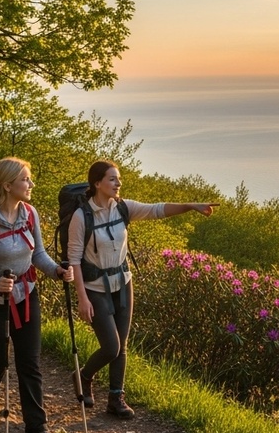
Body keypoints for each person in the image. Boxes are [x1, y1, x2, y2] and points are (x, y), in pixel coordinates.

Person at [68, 160, 217, 419]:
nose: (118, 183)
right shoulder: (82, 217)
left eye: (119, 179)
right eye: (113, 179)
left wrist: (190, 206)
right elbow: (73, 259)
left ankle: (116, 398)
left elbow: (157, 210)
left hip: (123, 282)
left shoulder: (124, 208)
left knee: (122, 345)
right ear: (97, 183)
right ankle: (83, 375)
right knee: (111, 347)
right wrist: (82, 298)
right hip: (95, 288)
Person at [0, 157, 75, 433]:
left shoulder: (29, 213)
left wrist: (57, 271)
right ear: (7, 184)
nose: (31, 184)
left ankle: (36, 431)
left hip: (26, 295)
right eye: (26, 179)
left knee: (29, 362)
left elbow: (38, 254)